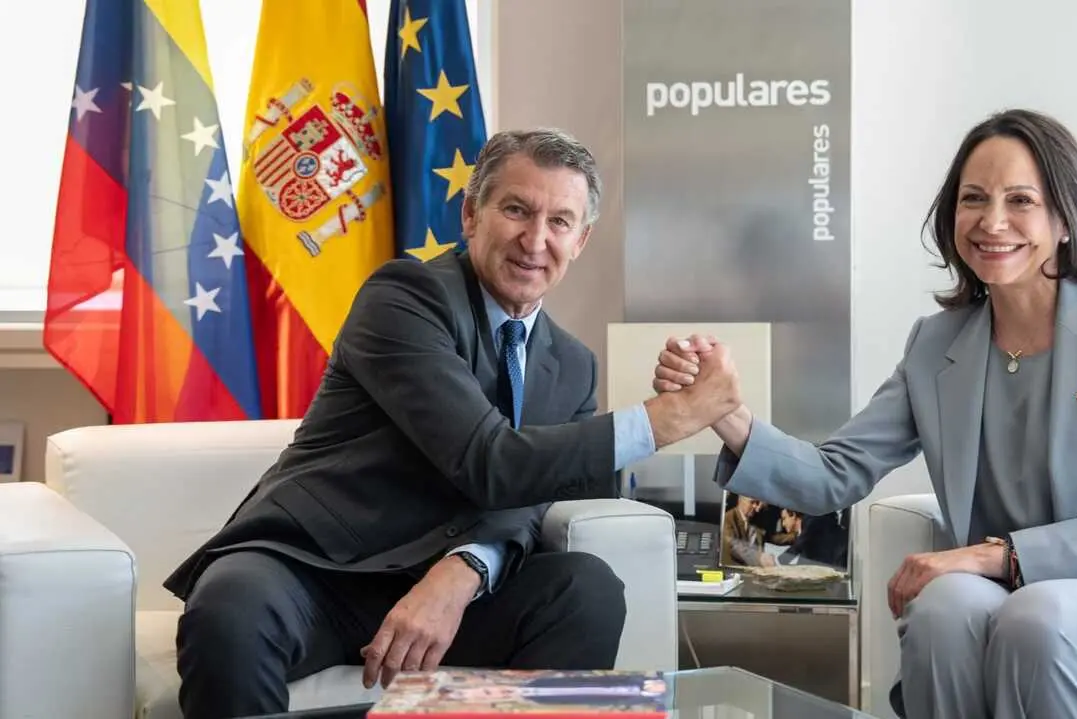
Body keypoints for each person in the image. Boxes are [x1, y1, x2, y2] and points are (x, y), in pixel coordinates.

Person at [653, 109, 1077, 718]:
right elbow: (832, 475)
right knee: (944, 606)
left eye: (1021, 201)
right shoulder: (936, 346)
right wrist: (726, 412)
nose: (992, 221)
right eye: (974, 199)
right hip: (1025, 604)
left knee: (1038, 618)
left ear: (1065, 219)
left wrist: (991, 556)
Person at [163, 128, 741, 719]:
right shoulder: (404, 298)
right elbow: (491, 461)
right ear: (471, 215)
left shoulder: (571, 366)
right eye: (516, 209)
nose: (535, 240)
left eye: (560, 221)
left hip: (448, 587)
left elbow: (537, 498)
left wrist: (464, 571)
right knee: (229, 608)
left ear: (582, 238)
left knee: (585, 590)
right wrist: (668, 419)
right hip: (317, 570)